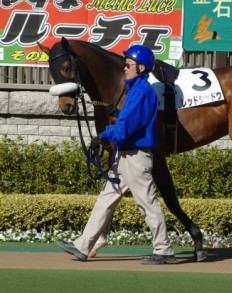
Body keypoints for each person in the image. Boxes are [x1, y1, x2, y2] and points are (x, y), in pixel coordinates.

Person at [57, 44, 176, 265]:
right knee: (106, 200)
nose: (125, 68)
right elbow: (127, 119)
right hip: (125, 156)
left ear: (141, 67)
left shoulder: (141, 92)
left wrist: (103, 134)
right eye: (125, 64)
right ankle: (83, 245)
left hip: (136, 157)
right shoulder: (135, 91)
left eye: (129, 64)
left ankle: (164, 249)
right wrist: (117, 114)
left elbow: (125, 129)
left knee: (147, 203)